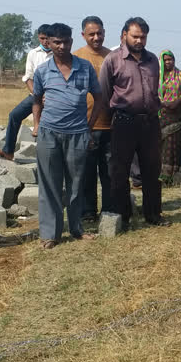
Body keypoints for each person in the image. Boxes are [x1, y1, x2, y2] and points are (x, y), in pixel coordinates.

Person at [32, 23, 103, 249]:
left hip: (77, 134)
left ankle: (76, 229)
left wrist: (89, 127)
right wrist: (36, 124)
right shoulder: (42, 71)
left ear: (72, 41)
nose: (62, 46)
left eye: (66, 42)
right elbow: (36, 100)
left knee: (76, 184)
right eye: (57, 42)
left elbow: (99, 98)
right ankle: (50, 234)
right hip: (49, 133)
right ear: (49, 43)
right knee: (50, 184)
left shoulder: (85, 67)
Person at [99, 17, 169, 229]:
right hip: (123, 122)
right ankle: (124, 216)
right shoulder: (113, 60)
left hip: (149, 122)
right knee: (120, 171)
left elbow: (154, 89)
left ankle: (153, 215)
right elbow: (104, 92)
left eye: (143, 37)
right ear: (124, 35)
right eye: (135, 36)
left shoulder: (152, 61)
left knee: (151, 170)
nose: (139, 41)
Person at [0, 24, 51, 159]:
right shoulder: (33, 54)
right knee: (14, 115)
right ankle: (8, 151)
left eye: (48, 38)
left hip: (53, 97)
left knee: (47, 126)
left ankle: (47, 159)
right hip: (36, 94)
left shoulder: (58, 53)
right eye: (42, 38)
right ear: (38, 37)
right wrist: (38, 95)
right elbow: (28, 77)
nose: (45, 41)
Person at [73, 16, 112, 221]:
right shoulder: (76, 58)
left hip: (110, 124)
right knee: (87, 171)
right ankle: (88, 211)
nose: (96, 37)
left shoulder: (113, 57)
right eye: (91, 34)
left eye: (99, 33)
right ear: (83, 35)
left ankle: (108, 209)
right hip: (85, 124)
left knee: (109, 172)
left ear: (104, 32)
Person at [158, 49, 181, 187]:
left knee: (173, 144)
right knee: (160, 146)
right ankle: (159, 175)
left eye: (170, 59)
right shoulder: (156, 76)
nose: (168, 62)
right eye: (165, 60)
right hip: (160, 114)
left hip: (176, 115)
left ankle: (172, 176)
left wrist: (177, 101)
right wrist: (161, 103)